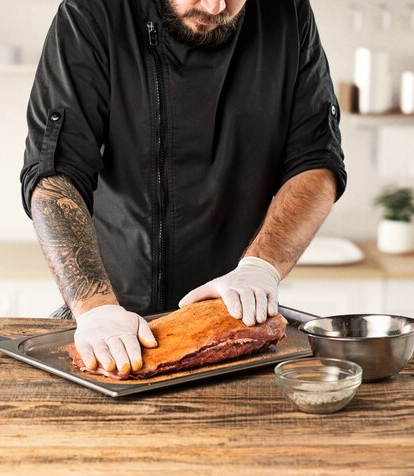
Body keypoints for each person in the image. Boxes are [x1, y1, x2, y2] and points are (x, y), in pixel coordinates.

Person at [20, 0, 346, 377]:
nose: (215, 5)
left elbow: (316, 160)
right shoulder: (93, 12)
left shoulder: (288, 12)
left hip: (230, 320)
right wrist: (95, 308)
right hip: (109, 317)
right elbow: (54, 173)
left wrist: (261, 268)